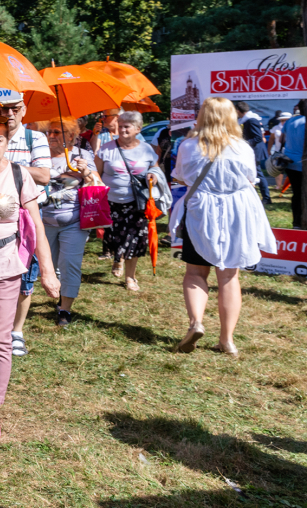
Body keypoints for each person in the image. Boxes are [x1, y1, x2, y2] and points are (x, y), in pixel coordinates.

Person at [0, 121, 60, 441]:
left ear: (7, 141)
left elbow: (37, 227)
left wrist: (47, 269)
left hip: (4, 267)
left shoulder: (18, 175)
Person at [170, 98, 277, 356]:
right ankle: (227, 340)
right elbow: (251, 178)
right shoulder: (243, 148)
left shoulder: (189, 146)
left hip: (201, 211)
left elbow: (180, 176)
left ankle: (196, 322)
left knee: (195, 272)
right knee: (229, 276)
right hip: (237, 214)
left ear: (202, 116)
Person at [0, 91, 51, 359]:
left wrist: (3, 164)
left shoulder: (34, 138)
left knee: (25, 276)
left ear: (24, 110)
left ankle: (16, 332)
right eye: (4, 109)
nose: (10, 114)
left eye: (15, 109)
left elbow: (45, 176)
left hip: (26, 216)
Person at [34, 118, 99, 325]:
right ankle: (60, 294)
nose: (51, 136)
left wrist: (86, 172)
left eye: (56, 132)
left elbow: (98, 183)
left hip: (74, 221)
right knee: (49, 266)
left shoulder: (81, 156)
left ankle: (65, 310)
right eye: (49, 132)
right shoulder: (39, 156)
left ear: (71, 136)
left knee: (70, 265)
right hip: (43, 221)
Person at [95, 111, 159, 292]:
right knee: (113, 238)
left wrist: (154, 175)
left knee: (135, 239)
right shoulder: (107, 149)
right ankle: (118, 257)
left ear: (138, 129)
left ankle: (130, 277)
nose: (122, 130)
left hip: (136, 203)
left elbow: (155, 169)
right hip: (110, 202)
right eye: (120, 126)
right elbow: (96, 174)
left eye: (126, 126)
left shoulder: (146, 149)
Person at [234, 101, 271, 205]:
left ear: (238, 110)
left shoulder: (251, 120)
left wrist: (244, 143)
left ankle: (266, 198)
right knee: (255, 173)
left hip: (256, 151)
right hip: (252, 150)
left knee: (258, 173)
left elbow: (258, 137)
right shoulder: (245, 120)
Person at [282, 100, 305, 229]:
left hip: (290, 163)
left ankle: (296, 222)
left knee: (296, 193)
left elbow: (282, 139)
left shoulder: (289, 121)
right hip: (303, 163)